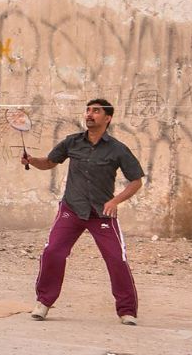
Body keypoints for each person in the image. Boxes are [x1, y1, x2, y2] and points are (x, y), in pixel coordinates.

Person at [22, 98, 144, 325]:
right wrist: (32, 160)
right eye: (88, 110)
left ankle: (127, 311)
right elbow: (49, 162)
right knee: (53, 252)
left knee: (117, 259)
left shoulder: (118, 149)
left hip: (102, 213)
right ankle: (44, 302)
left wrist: (115, 201)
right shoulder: (72, 142)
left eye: (96, 111)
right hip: (72, 209)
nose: (89, 114)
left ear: (107, 118)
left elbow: (136, 181)